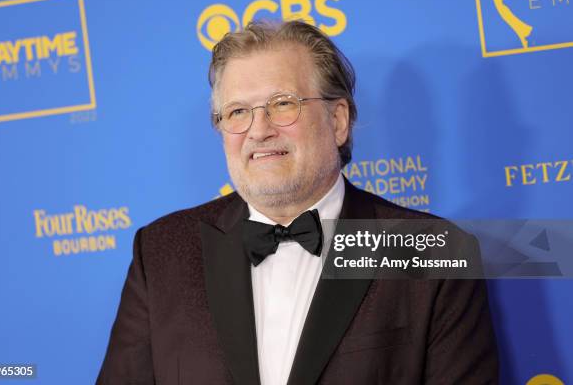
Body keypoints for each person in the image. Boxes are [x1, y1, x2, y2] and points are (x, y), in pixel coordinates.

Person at [97, 20, 498, 384]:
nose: (259, 130)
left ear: (338, 121)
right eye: (237, 112)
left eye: (282, 104)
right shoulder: (162, 251)